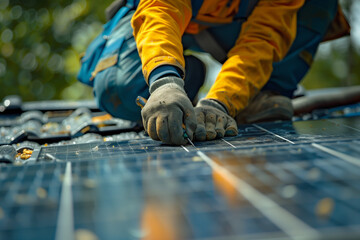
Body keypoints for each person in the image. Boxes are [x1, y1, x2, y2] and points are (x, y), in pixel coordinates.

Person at [79, 0, 350, 145]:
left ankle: (262, 94)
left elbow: (262, 39)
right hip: (166, 17)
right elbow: (161, 10)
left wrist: (220, 102)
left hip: (237, 24)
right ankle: (188, 77)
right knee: (117, 88)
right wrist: (164, 80)